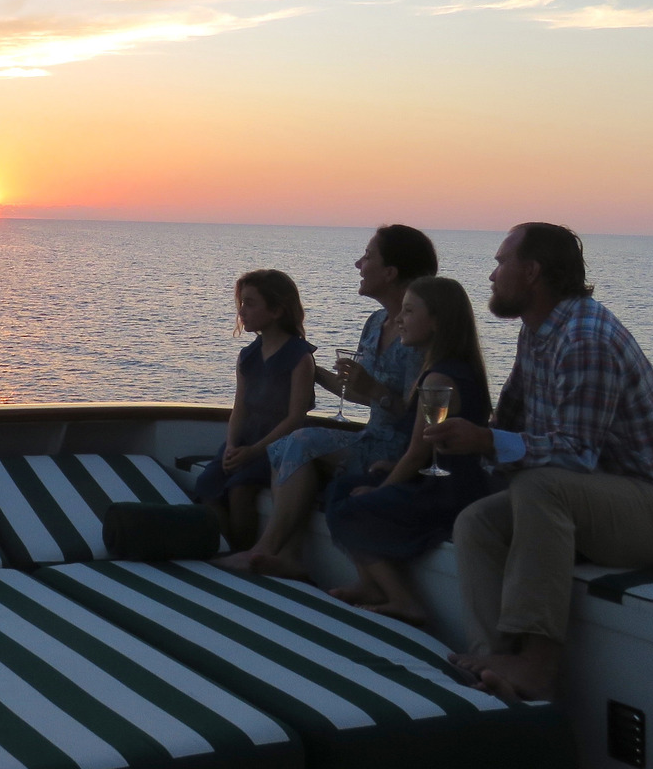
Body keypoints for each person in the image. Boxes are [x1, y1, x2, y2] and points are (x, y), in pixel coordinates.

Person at [426, 222, 653, 704]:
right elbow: (510, 418)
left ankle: (538, 665)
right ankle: (494, 662)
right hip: (599, 501)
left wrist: (486, 440)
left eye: (501, 262)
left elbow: (576, 454)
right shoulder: (537, 332)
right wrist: (471, 441)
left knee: (540, 486)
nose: (492, 275)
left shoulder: (585, 338)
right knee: (476, 523)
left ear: (532, 272)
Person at [217, 225, 438, 579]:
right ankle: (288, 554)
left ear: (390, 272)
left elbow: (422, 414)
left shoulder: (421, 331)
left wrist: (375, 390)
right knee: (288, 444)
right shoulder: (376, 323)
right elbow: (360, 393)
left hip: (402, 449)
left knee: (300, 440)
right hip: (372, 438)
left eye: (367, 256)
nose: (358, 264)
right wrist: (309, 369)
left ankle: (264, 550)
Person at [322, 275, 492, 623]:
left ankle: (403, 599)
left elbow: (418, 452)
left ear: (437, 322)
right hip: (439, 480)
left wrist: (382, 489)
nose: (399, 319)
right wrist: (390, 467)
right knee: (342, 487)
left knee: (352, 506)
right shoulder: (450, 370)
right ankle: (370, 583)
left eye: (409, 311)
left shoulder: (439, 380)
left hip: (446, 491)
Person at [194, 270, 317, 548]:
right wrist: (231, 445)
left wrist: (254, 451)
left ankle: (242, 552)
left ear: (276, 310)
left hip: (276, 446)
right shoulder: (248, 356)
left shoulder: (299, 357)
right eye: (241, 303)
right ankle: (221, 548)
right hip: (244, 441)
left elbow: (295, 417)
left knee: (240, 490)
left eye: (250, 303)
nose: (242, 311)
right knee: (207, 485)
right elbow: (240, 408)